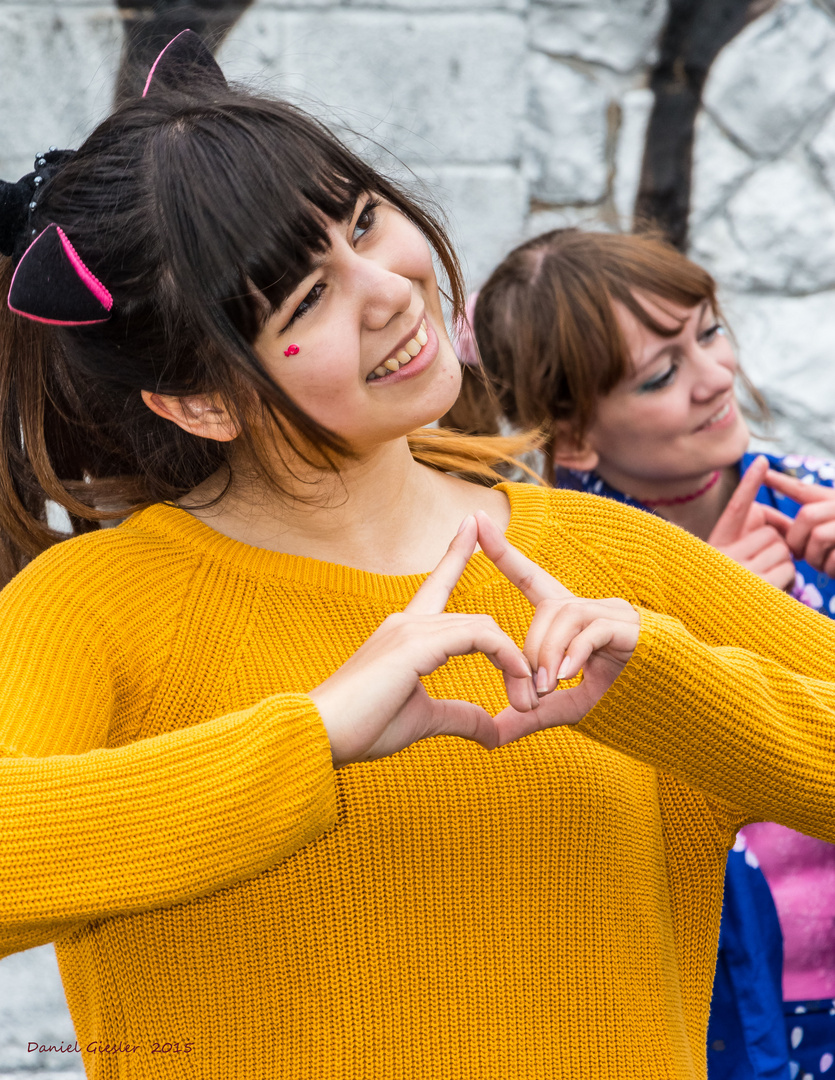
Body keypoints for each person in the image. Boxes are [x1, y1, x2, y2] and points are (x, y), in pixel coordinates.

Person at [2, 34, 835, 1080]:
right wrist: (310, 740)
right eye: (304, 299)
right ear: (198, 400)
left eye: (361, 222)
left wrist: (666, 684)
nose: (390, 288)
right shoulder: (91, 606)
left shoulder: (612, 559)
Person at [447, 226, 835, 1080]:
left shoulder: (820, 505)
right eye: (661, 374)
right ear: (573, 436)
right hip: (698, 1017)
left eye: (708, 332)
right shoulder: (542, 585)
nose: (716, 377)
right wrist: (683, 641)